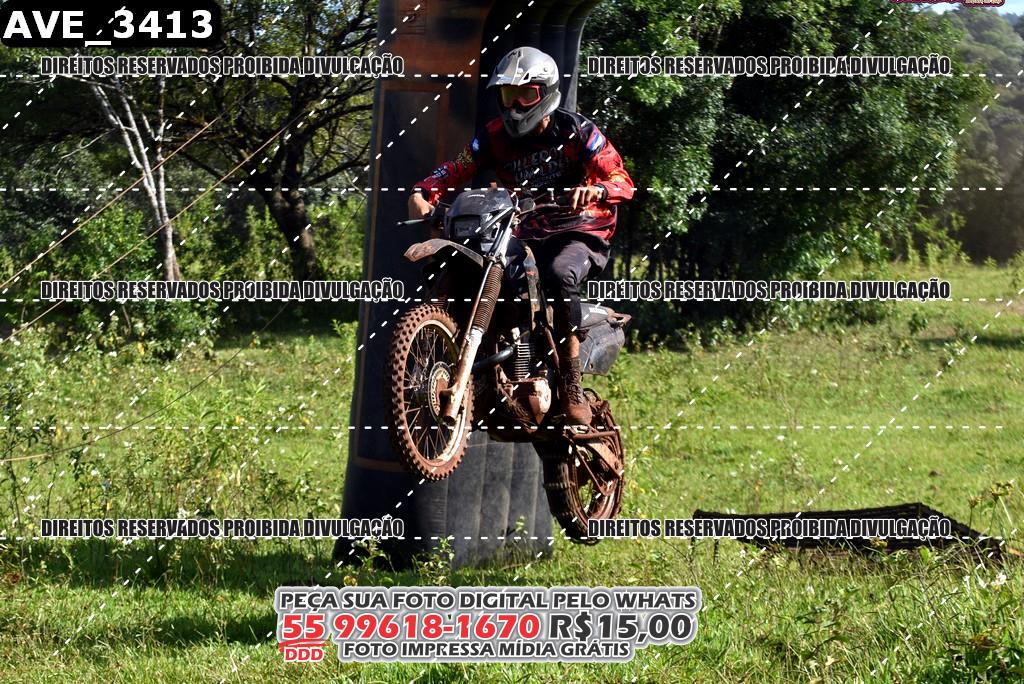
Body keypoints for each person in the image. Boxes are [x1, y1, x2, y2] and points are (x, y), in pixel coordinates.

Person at [408, 46, 634, 427]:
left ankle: (571, 381)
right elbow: (457, 166)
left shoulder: (577, 132)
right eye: (507, 95)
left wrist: (597, 190)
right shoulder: (493, 138)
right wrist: (424, 190)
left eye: (524, 95)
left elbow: (622, 180)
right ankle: (461, 362)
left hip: (580, 228)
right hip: (525, 228)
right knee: (473, 264)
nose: (514, 106)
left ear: (546, 93)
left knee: (559, 274)